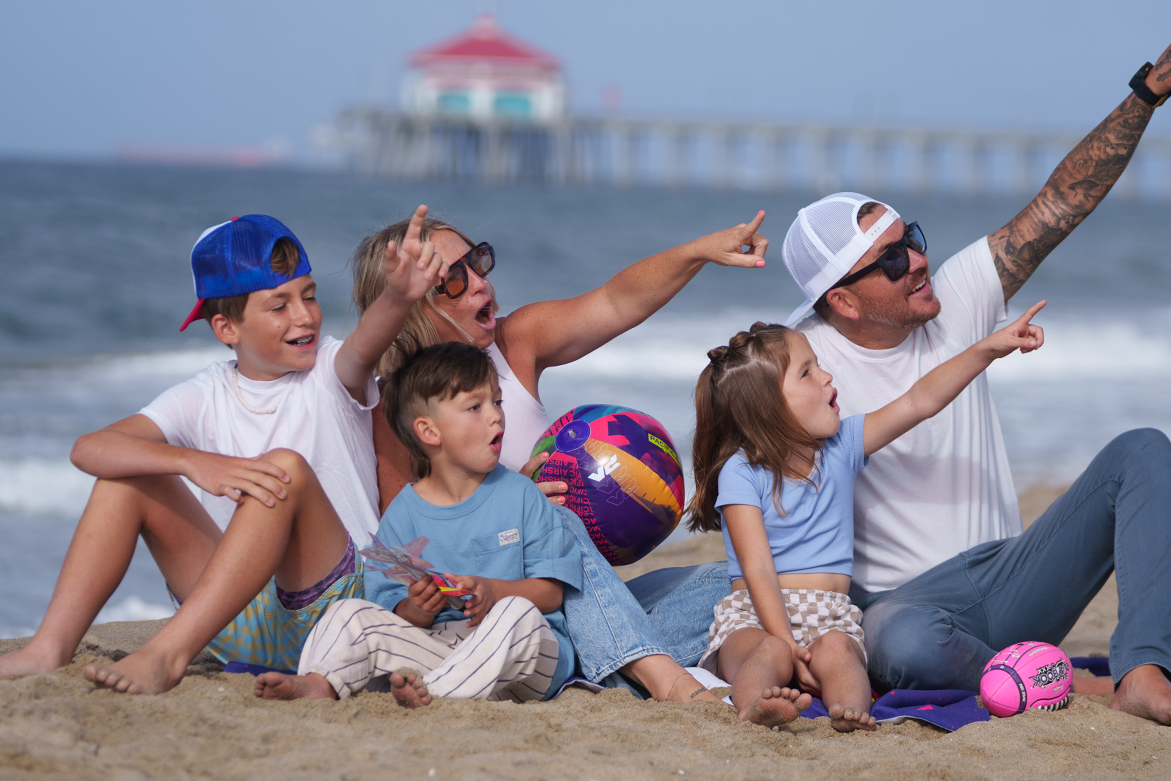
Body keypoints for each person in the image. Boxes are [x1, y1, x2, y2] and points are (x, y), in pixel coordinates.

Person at [781, 0, 1171, 727]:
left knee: (1142, 451)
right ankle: (1065, 686)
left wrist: (1149, 89)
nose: (918, 260)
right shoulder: (801, 369)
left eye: (912, 237)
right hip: (908, 609)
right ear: (844, 302)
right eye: (892, 260)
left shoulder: (955, 295)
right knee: (897, 635)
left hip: (1014, 580)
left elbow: (1060, 202)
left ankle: (1144, 667)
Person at [0, 207, 452, 694]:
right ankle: (50, 646)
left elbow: (369, 341)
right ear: (226, 329)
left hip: (335, 614)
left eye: (310, 296)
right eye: (278, 306)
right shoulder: (205, 394)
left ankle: (168, 655)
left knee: (282, 469)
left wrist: (399, 295)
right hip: (231, 618)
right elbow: (90, 449)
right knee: (124, 477)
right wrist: (196, 463)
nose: (304, 316)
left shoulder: (329, 372)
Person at [349, 211, 767, 703]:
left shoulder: (513, 343)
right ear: (410, 304)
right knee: (557, 518)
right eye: (455, 281)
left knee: (746, 583)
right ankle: (655, 674)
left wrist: (700, 249)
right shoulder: (402, 411)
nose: (481, 284)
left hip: (587, 599)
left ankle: (610, 662)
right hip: (509, 617)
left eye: (479, 262)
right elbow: (407, 560)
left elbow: (615, 301)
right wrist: (509, 499)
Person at [687, 309, 1044, 730]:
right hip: (756, 612)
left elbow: (919, 401)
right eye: (806, 373)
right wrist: (784, 640)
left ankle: (850, 714)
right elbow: (758, 567)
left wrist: (987, 349)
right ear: (768, 411)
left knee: (840, 649)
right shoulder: (742, 471)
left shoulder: (842, 447)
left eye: (818, 364)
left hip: (830, 611)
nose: (825, 376)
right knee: (770, 654)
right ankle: (754, 709)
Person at [257, 343, 583, 705]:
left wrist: (494, 592)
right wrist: (418, 609)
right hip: (446, 654)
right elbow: (390, 610)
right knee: (348, 612)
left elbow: (552, 593)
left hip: (527, 660)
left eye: (497, 402)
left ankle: (439, 695)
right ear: (429, 432)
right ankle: (320, 683)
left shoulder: (522, 494)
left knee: (515, 612)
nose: (496, 416)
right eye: (475, 407)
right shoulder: (402, 515)